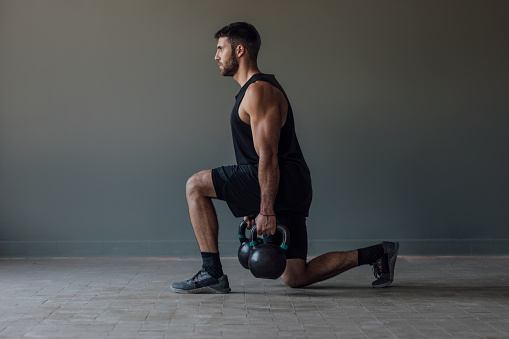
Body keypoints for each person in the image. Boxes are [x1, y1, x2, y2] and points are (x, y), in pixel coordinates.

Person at [170, 22, 399, 294]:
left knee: (195, 186)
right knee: (295, 275)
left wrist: (265, 208)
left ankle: (212, 272)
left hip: (279, 180)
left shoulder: (258, 91)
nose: (216, 56)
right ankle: (378, 253)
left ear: (239, 50)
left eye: (221, 49)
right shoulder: (254, 91)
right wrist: (251, 202)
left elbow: (267, 156)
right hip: (290, 184)